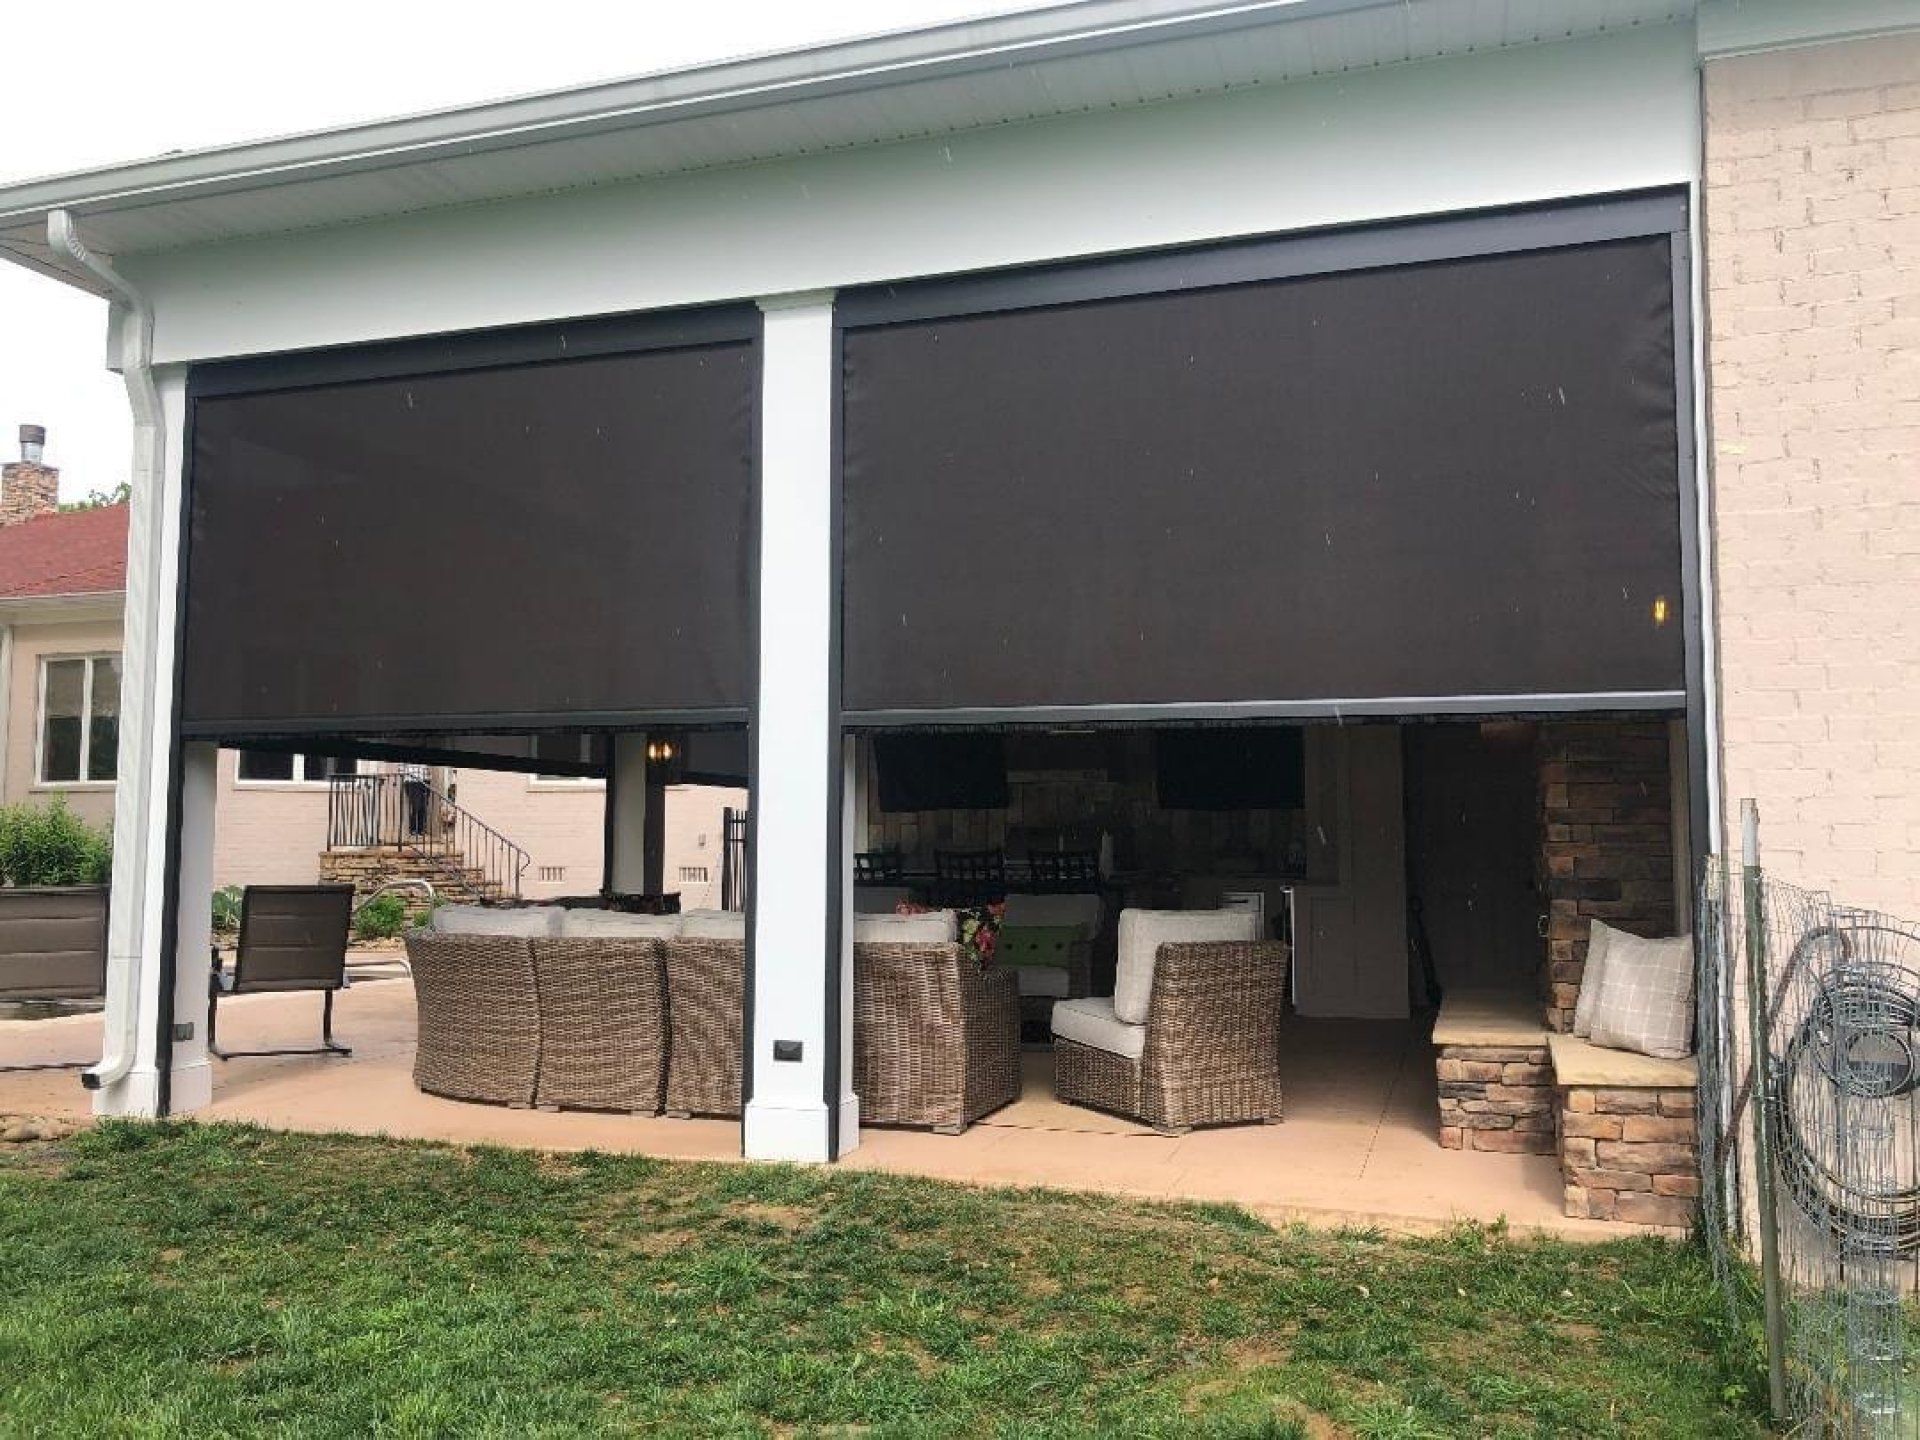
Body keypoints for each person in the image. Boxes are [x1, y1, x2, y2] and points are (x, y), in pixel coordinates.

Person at [398, 761, 432, 837]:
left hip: (425, 780)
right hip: (412, 781)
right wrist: (408, 775)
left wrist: (428, 776)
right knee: (416, 805)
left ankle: (421, 829)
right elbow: (400, 769)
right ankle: (413, 829)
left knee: (423, 806)